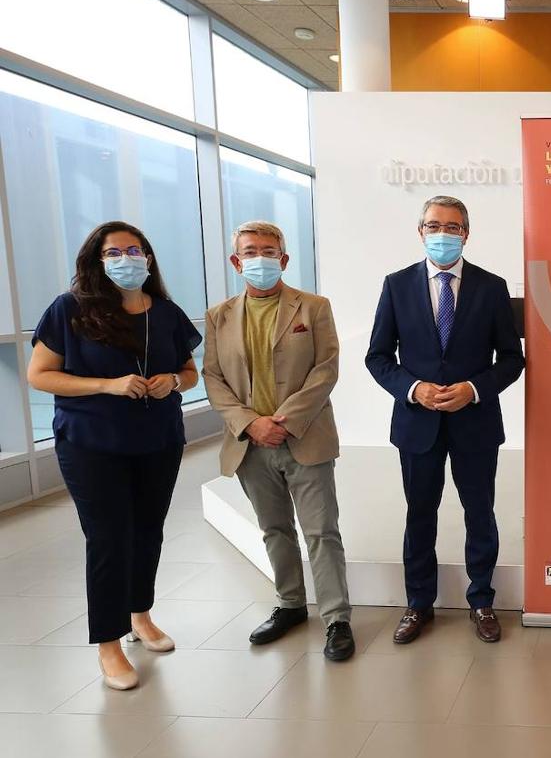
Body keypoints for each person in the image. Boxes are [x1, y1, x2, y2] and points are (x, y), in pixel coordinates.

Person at [26, 221, 200, 691]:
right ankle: (108, 643)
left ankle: (140, 615)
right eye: (115, 252)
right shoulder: (70, 310)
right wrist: (107, 384)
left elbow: (189, 370)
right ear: (97, 260)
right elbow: (40, 374)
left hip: (159, 439)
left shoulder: (164, 311)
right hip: (92, 444)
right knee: (108, 538)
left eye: (135, 250)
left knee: (147, 531)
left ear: (148, 258)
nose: (127, 259)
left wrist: (174, 382)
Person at [366, 195, 524, 644]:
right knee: (420, 514)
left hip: (475, 423)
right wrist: (414, 389)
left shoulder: (492, 287)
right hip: (417, 425)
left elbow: (512, 359)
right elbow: (378, 357)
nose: (443, 233)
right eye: (434, 225)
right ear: (420, 232)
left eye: (452, 227)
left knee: (480, 514)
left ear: (466, 234)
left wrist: (472, 390)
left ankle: (482, 600)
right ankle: (418, 604)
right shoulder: (396, 285)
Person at [202, 221, 354, 662]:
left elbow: (326, 368)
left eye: (269, 252)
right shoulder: (219, 316)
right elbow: (213, 376)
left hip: (304, 437)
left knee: (322, 531)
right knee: (274, 529)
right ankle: (290, 605)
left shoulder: (313, 307)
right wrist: (250, 424)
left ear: (284, 260)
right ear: (236, 261)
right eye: (250, 252)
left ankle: (337, 618)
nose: (260, 259)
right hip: (251, 444)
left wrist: (284, 421)